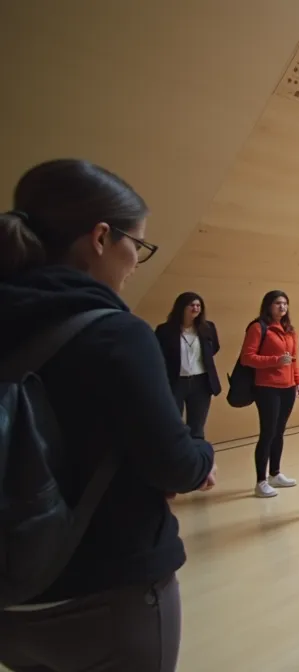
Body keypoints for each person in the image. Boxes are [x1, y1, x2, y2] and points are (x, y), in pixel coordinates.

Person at [0, 159, 215, 672]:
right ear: (100, 237)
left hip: (10, 594)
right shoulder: (117, 333)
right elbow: (175, 463)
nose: (135, 261)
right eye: (135, 246)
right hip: (107, 587)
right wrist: (202, 453)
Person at [241, 290, 299, 498]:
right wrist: (274, 361)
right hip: (267, 387)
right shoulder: (259, 327)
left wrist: (298, 381)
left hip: (287, 387)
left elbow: (293, 358)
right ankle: (260, 480)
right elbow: (247, 358)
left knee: (279, 431)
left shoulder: (289, 330)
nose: (282, 307)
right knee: (267, 432)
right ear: (268, 305)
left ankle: (275, 473)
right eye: (278, 303)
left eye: (285, 303)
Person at [155, 292, 221, 439]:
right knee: (173, 424)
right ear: (182, 307)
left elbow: (214, 348)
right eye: (192, 305)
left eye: (198, 305)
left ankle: (195, 459)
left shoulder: (208, 327)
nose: (196, 308)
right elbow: (158, 355)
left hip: (201, 383)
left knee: (197, 427)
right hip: (175, 382)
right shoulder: (165, 330)